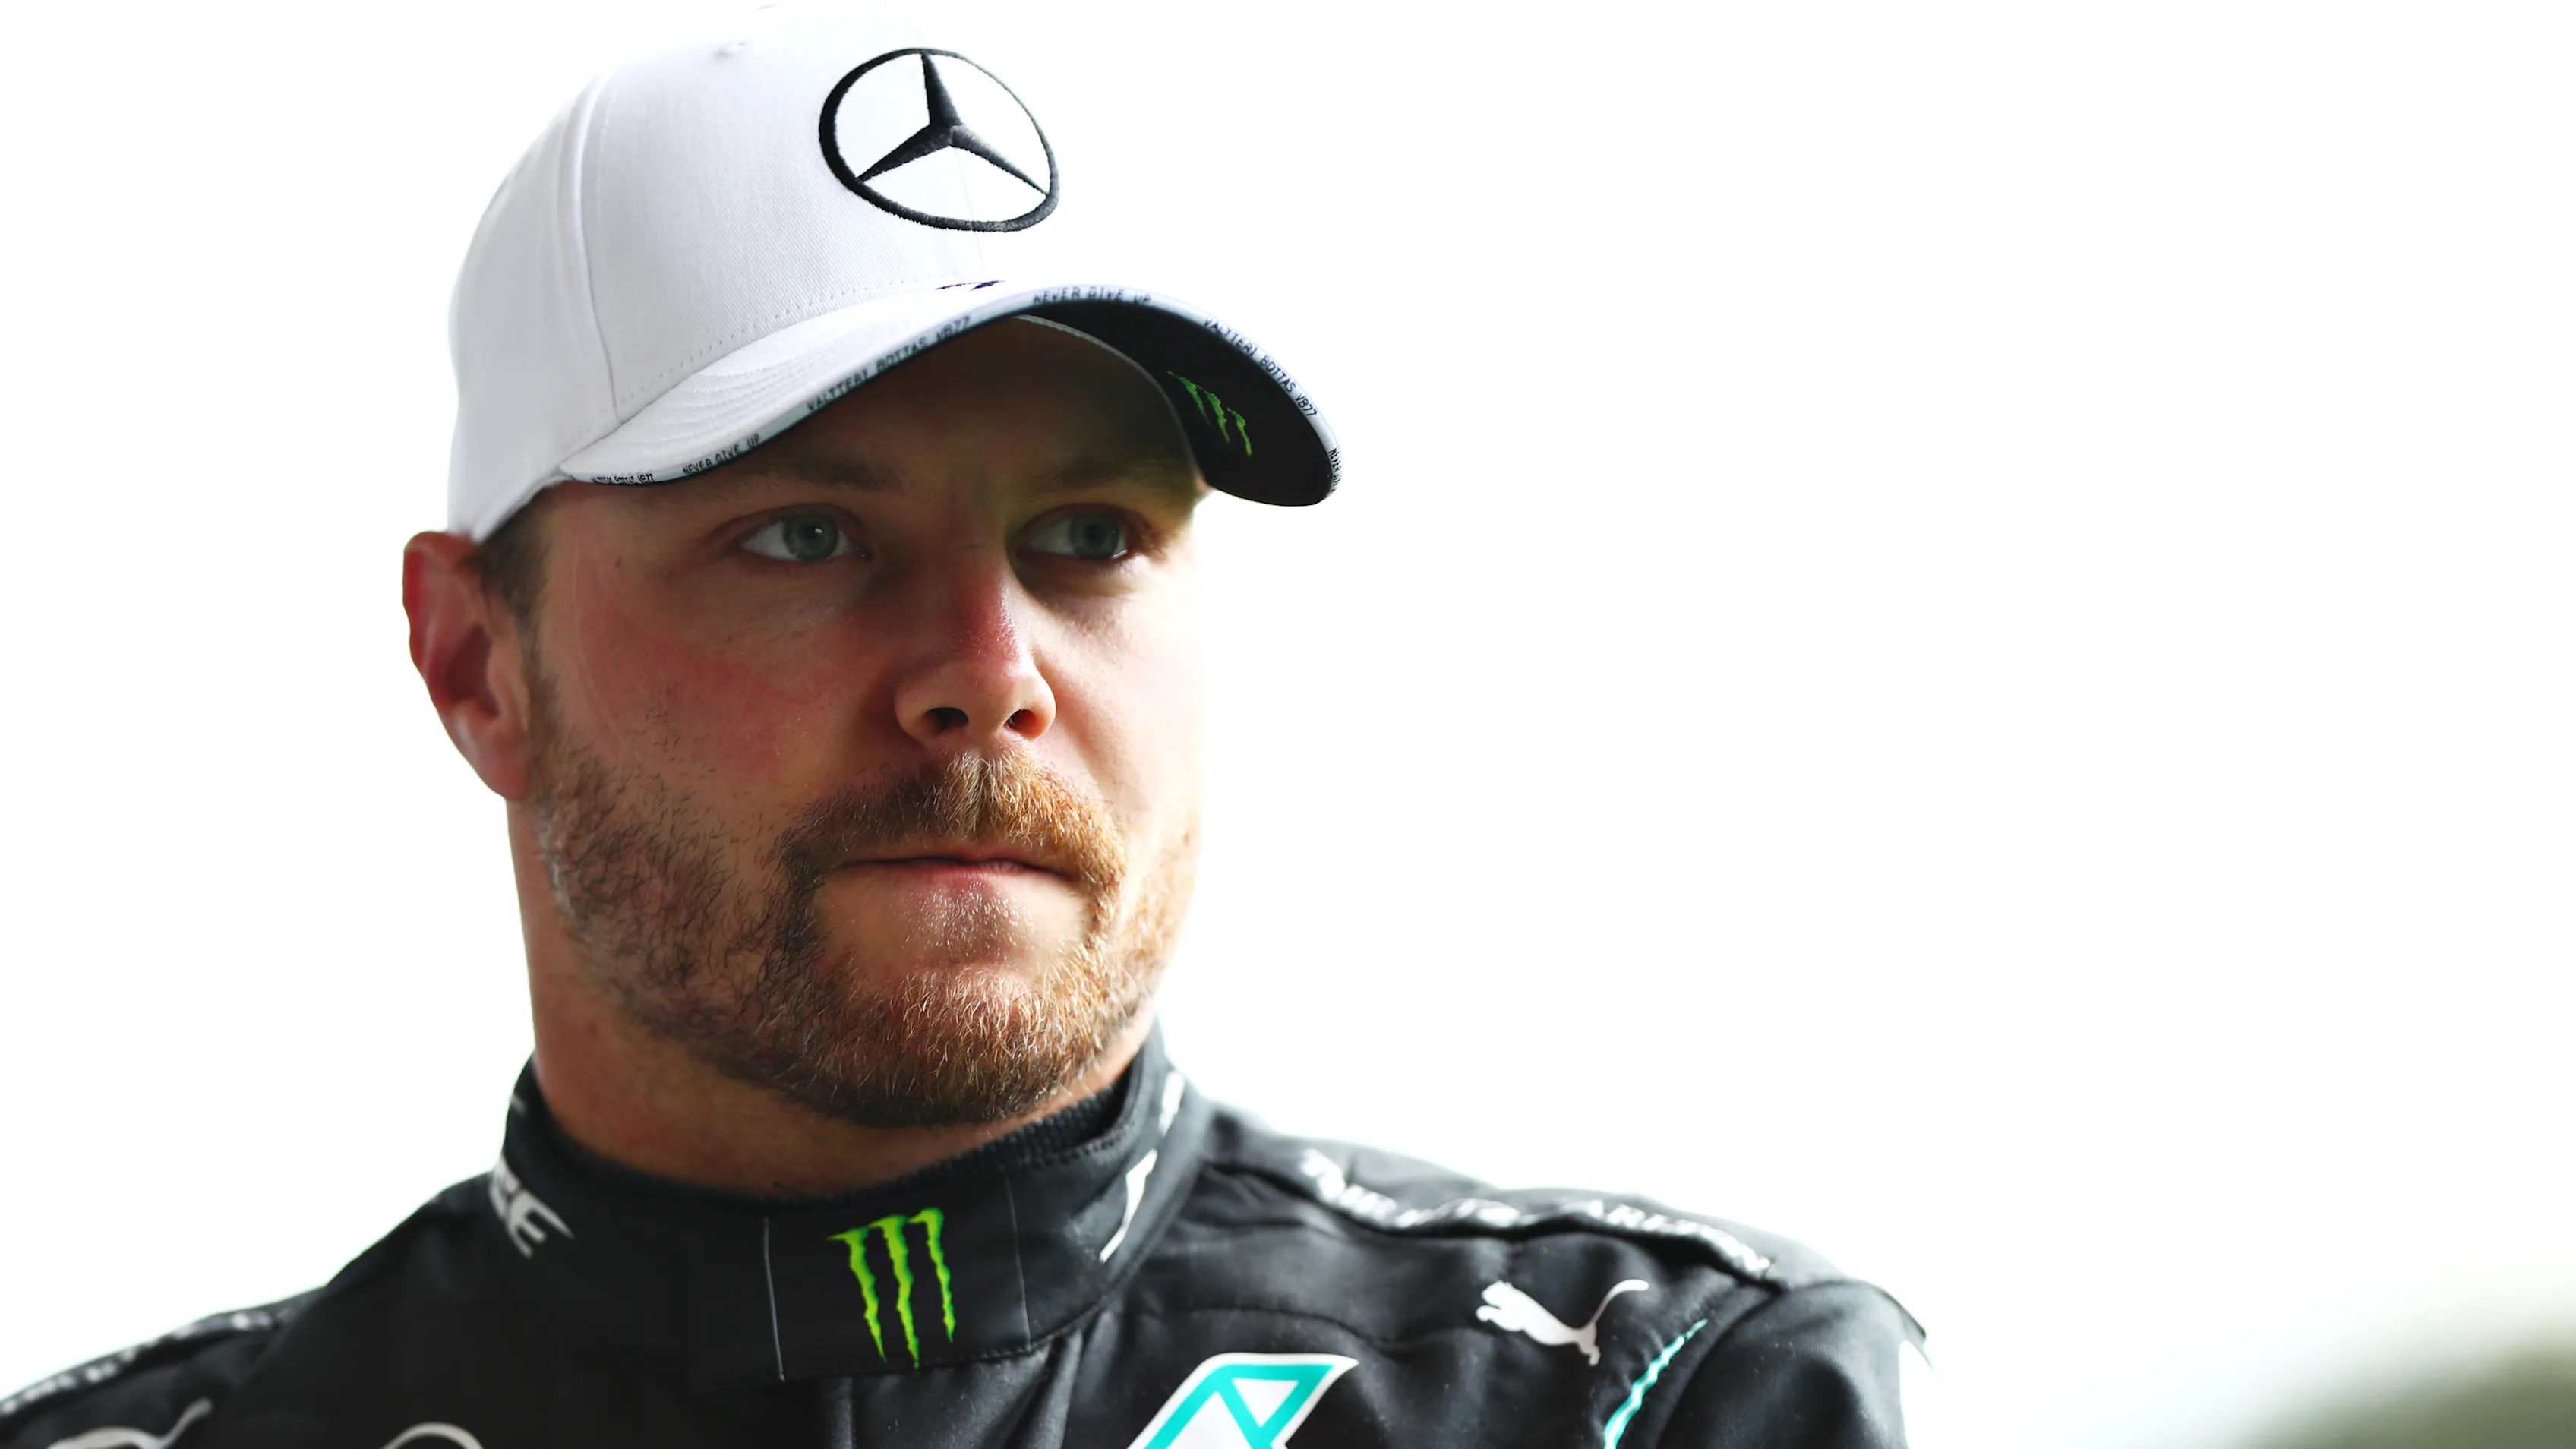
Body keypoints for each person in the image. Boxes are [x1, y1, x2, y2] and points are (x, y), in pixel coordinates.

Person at [0, 5, 1928, 1447]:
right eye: (806, 534)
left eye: (1091, 538)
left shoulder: (1651, 1398)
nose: (988, 668)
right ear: (474, 666)